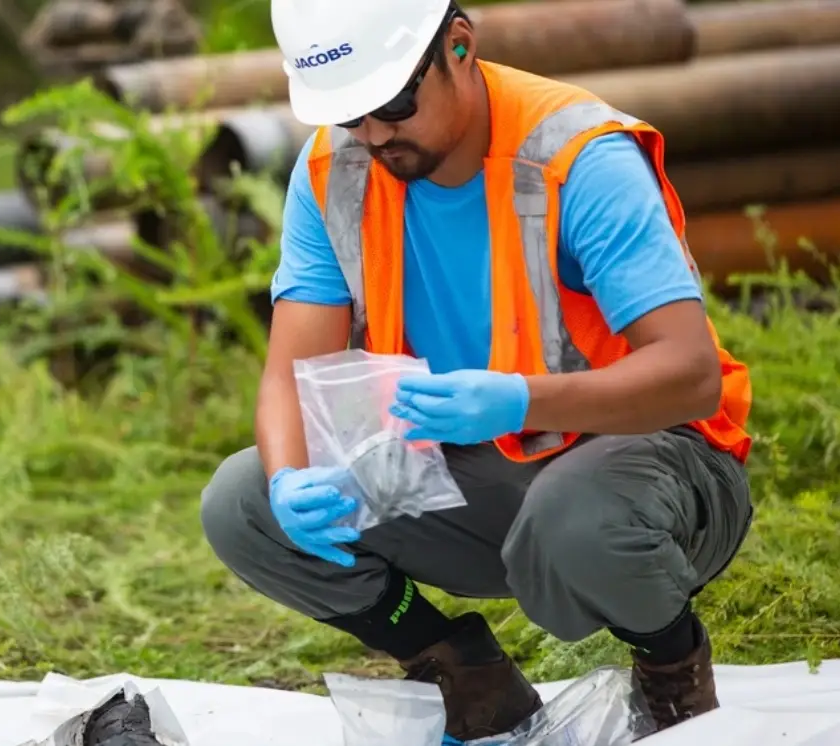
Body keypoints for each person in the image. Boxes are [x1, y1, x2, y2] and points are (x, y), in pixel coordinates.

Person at [200, 0, 756, 740]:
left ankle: (670, 665)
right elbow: (286, 376)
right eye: (349, 115)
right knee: (242, 502)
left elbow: (691, 376)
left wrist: (520, 401)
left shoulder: (577, 157)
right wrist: (286, 479)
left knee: (575, 518)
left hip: (657, 464)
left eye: (393, 103)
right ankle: (466, 674)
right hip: (481, 471)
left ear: (458, 46)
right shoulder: (338, 170)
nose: (372, 135)